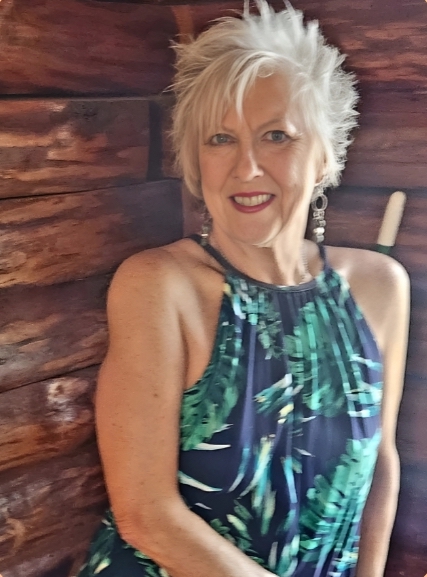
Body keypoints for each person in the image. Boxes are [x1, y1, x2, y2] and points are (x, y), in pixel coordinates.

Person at [77, 2, 409, 576]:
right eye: (220, 139)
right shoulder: (160, 287)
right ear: (195, 160)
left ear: (325, 155)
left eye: (277, 136)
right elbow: (145, 514)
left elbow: (380, 464)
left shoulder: (380, 287)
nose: (247, 168)